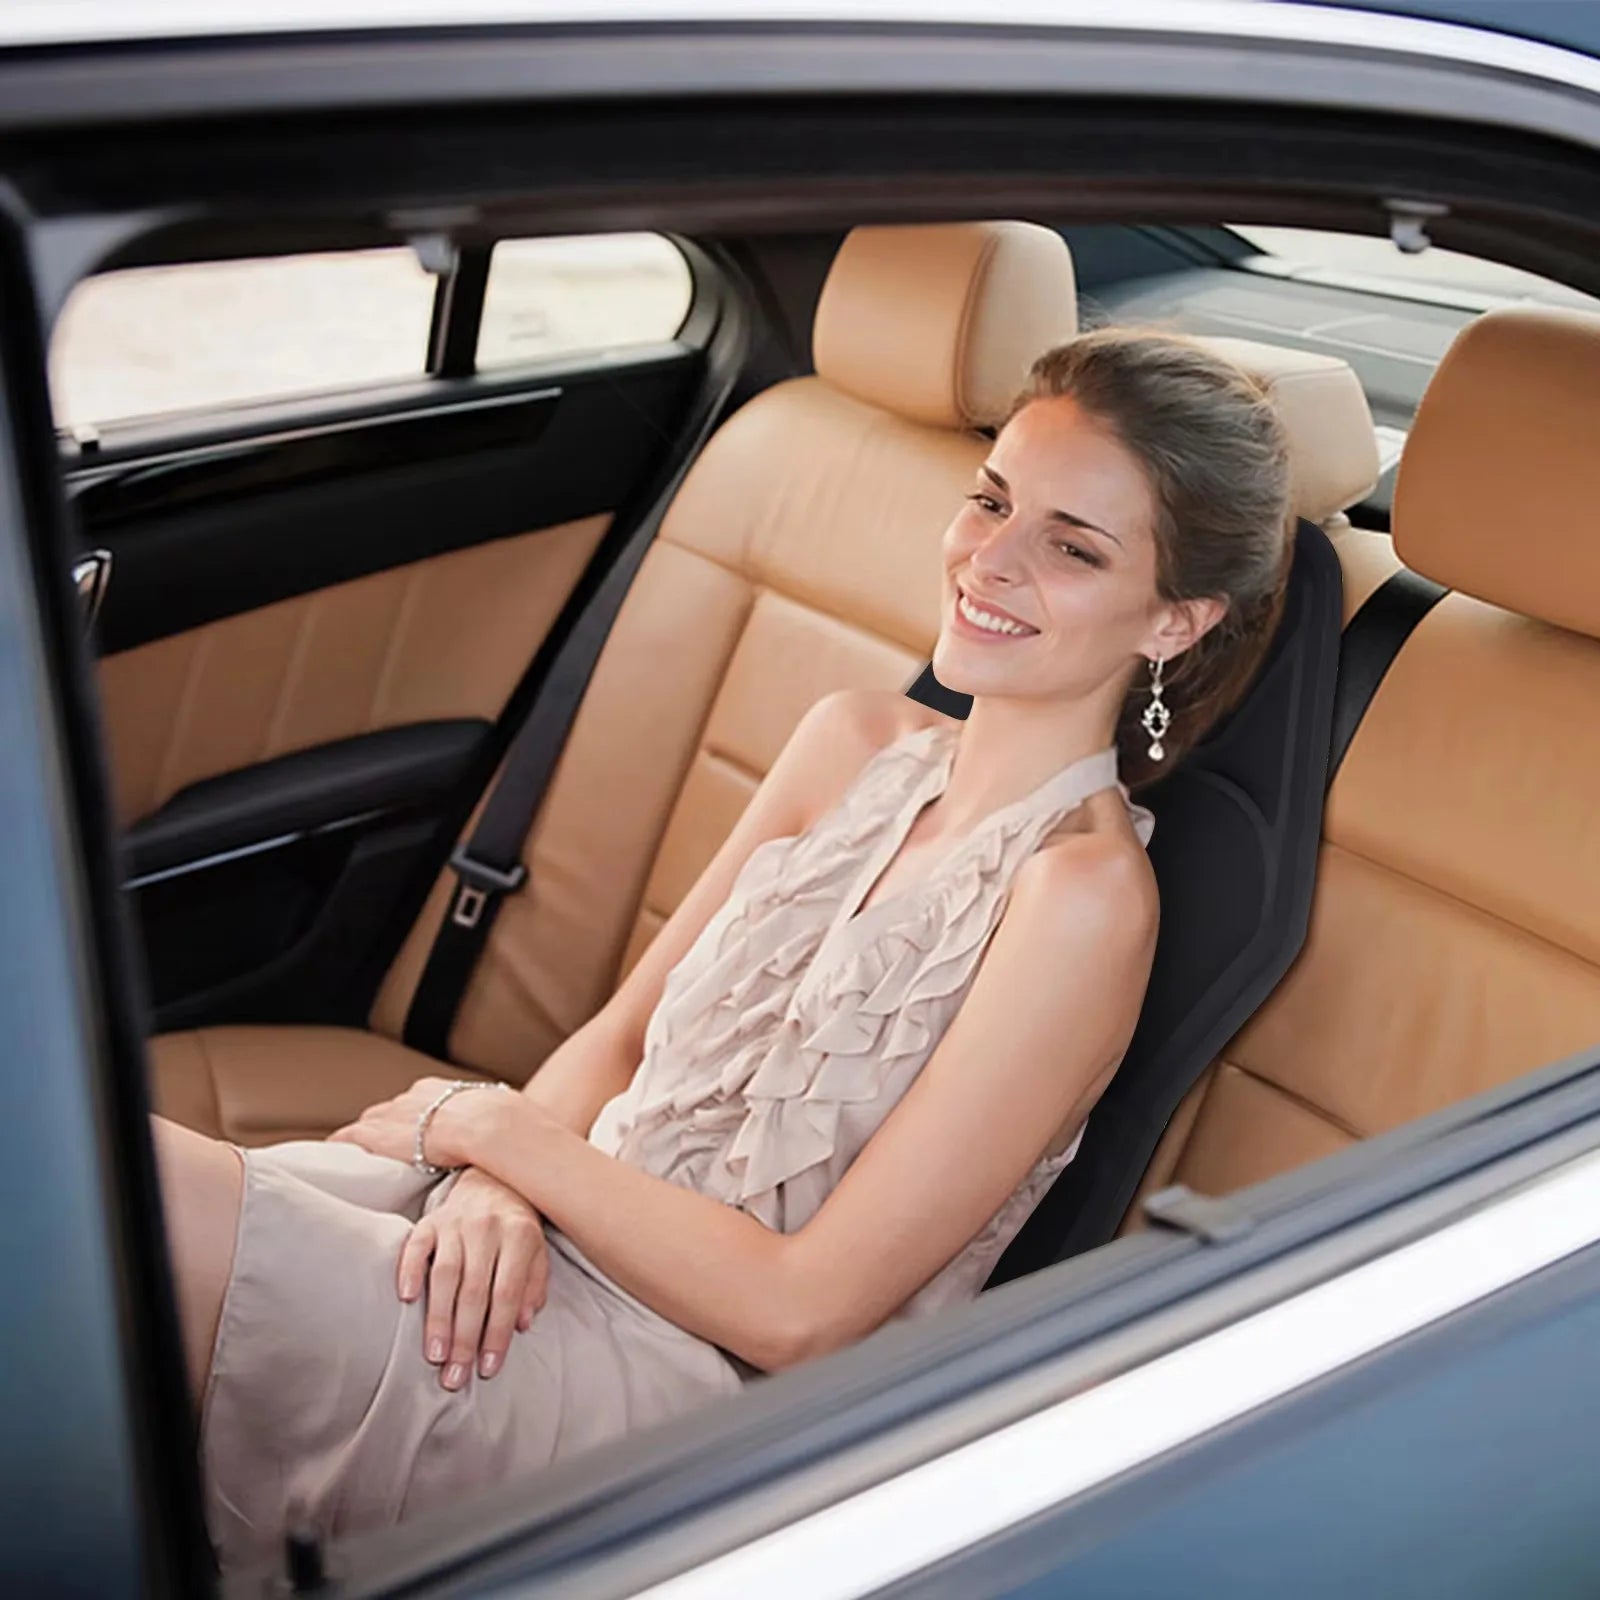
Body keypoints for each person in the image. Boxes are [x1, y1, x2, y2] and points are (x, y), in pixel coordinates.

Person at [152, 327, 1294, 1571]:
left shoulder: (1079, 899)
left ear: (1175, 620)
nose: (990, 559)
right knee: (92, 1195)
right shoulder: (850, 739)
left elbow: (800, 1313)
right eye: (990, 500)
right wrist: (494, 1181)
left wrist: (499, 1135)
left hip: (680, 1397)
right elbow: (623, 1036)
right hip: (527, 1226)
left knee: (111, 1223)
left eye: (1072, 547)